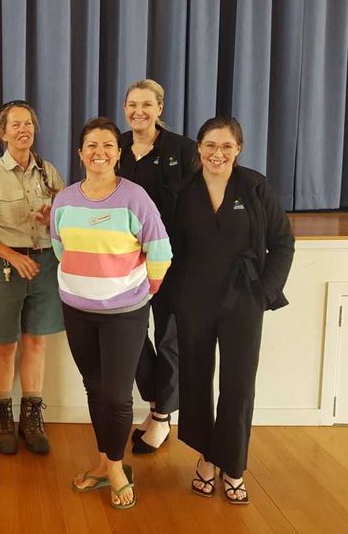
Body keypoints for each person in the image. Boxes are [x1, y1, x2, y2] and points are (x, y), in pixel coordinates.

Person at [170, 116, 294, 504]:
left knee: (238, 385)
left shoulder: (256, 188)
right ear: (199, 149)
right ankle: (208, 458)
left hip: (243, 301)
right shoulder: (183, 191)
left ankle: (234, 466)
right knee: (195, 377)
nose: (217, 154)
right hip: (193, 300)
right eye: (209, 145)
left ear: (238, 149)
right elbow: (168, 248)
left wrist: (265, 293)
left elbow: (283, 244)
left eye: (226, 146)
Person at [51, 116, 172, 509]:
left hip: (125, 313)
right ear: (80, 154)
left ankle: (117, 467)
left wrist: (139, 291)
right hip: (77, 309)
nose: (99, 152)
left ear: (118, 154)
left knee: (118, 397)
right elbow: (59, 248)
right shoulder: (65, 199)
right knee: (95, 388)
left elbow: (160, 252)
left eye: (107, 145)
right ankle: (104, 463)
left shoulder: (135, 197)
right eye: (91, 146)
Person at [0, 100, 65, 455]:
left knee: (36, 342)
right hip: (4, 266)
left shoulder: (50, 172)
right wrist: (11, 256)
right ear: (3, 133)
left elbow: (65, 219)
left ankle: (32, 418)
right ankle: (3, 418)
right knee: (5, 345)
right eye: (16, 125)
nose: (24, 130)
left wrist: (51, 219)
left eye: (29, 125)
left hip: (44, 265)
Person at [118, 79, 198, 453]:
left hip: (170, 260)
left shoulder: (182, 149)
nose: (139, 112)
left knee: (168, 337)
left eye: (146, 105)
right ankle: (154, 402)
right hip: (122, 261)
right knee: (132, 337)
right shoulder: (114, 146)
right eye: (132, 104)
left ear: (160, 108)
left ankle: (164, 416)